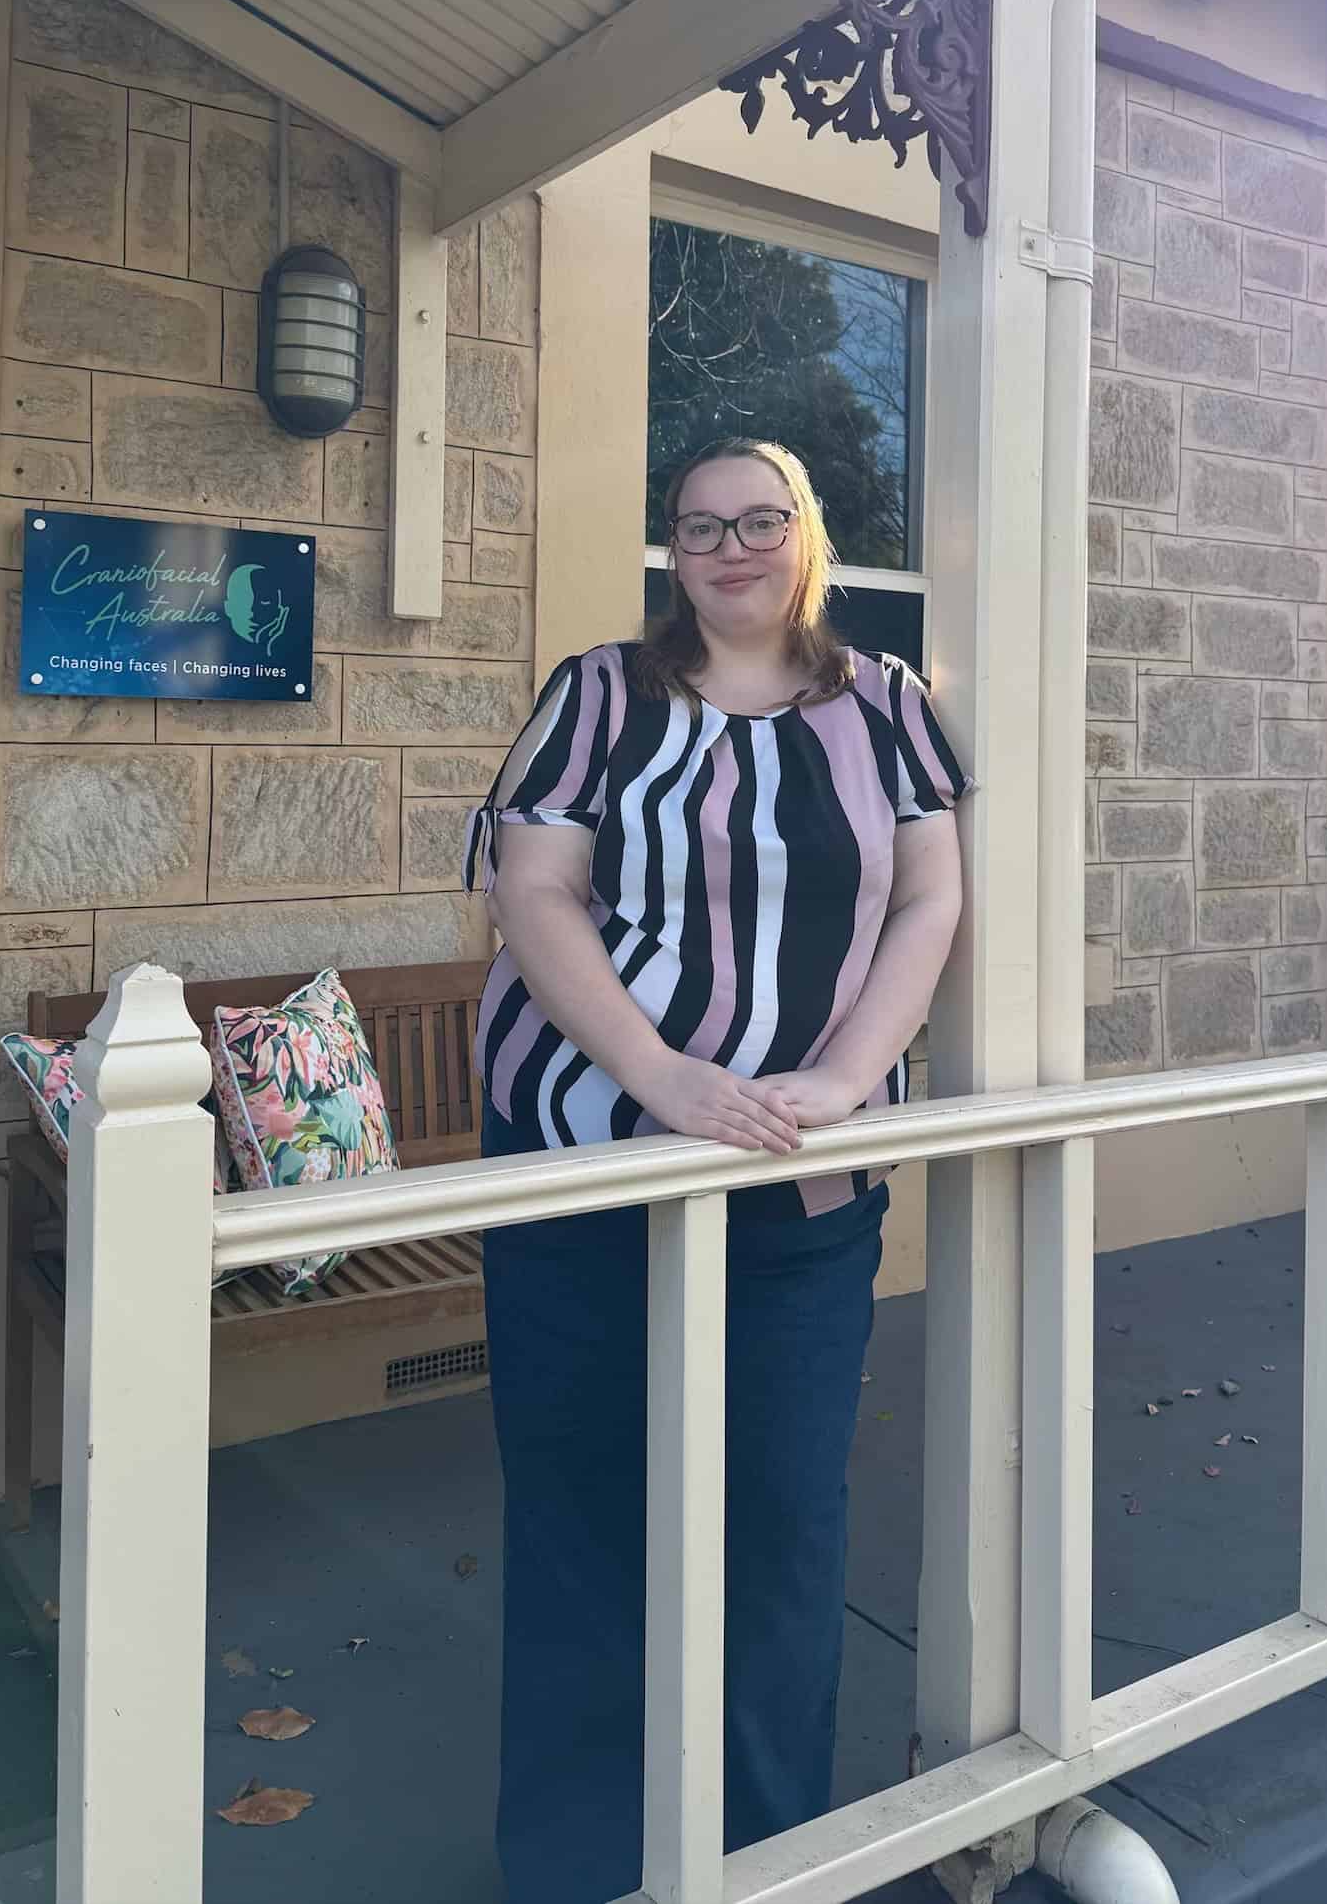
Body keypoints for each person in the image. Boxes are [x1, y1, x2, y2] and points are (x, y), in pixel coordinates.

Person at [466, 436, 966, 1903]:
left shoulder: (892, 710)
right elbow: (533, 886)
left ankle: (762, 1863)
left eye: (758, 521)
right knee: (580, 1531)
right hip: (576, 1170)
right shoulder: (599, 695)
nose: (729, 549)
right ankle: (572, 1869)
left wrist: (849, 1076)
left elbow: (932, 899)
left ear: (809, 534)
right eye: (698, 529)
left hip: (796, 1196)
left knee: (779, 1540)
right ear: (671, 552)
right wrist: (664, 1078)